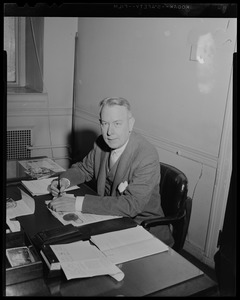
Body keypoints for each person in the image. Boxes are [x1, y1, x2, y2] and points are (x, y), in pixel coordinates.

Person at [49, 97, 174, 246]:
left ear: (131, 124)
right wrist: (64, 181)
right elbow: (84, 169)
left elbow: (131, 204)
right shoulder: (100, 143)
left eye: (117, 124)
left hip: (145, 232)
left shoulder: (146, 155)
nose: (109, 132)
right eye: (105, 124)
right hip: (113, 222)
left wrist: (76, 203)